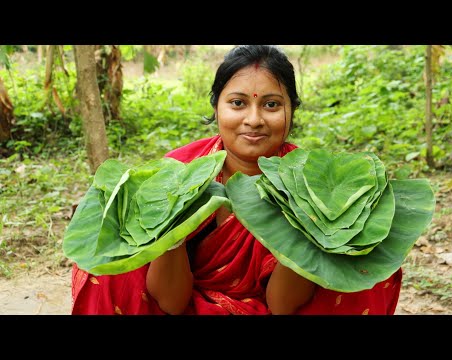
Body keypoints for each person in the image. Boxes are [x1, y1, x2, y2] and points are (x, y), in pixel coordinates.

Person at [70, 45, 402, 315]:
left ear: (292, 111)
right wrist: (168, 233)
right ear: (216, 108)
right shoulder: (179, 171)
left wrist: (310, 228)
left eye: (271, 105)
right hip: (180, 299)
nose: (253, 120)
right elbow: (170, 303)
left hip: (286, 304)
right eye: (238, 103)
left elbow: (283, 305)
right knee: (107, 268)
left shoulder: (311, 182)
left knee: (366, 268)